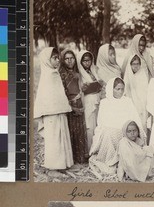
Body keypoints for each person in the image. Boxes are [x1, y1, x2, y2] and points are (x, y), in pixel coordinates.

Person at [89, 77, 145, 176]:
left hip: (126, 129)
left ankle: (127, 163)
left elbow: (134, 117)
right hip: (111, 129)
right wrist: (116, 128)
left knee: (134, 131)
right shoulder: (105, 102)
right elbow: (102, 121)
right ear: (111, 89)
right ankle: (111, 161)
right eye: (117, 89)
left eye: (122, 89)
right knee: (109, 133)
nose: (120, 92)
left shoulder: (127, 101)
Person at [34, 47, 73, 177]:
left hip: (59, 111)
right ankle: (52, 168)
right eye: (54, 58)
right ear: (47, 60)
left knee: (62, 138)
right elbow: (46, 98)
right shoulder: (48, 76)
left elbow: (59, 95)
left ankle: (61, 165)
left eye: (58, 58)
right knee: (54, 140)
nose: (57, 61)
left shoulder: (54, 73)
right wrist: (52, 109)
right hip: (51, 114)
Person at [59, 49, 89, 164]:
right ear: (63, 60)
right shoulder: (61, 75)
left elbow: (80, 89)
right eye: (66, 58)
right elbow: (62, 94)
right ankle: (72, 159)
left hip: (80, 103)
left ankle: (81, 157)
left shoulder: (78, 72)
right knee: (71, 132)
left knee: (80, 131)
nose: (70, 61)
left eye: (72, 58)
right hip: (69, 105)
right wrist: (72, 107)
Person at [77, 50, 103, 151]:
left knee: (97, 125)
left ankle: (97, 148)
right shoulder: (79, 74)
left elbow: (99, 83)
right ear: (80, 62)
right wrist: (83, 87)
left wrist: (100, 83)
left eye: (89, 60)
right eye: (84, 61)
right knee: (89, 126)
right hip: (87, 101)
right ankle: (88, 150)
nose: (87, 63)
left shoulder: (94, 71)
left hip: (97, 100)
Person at [123, 54, 149, 133]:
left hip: (141, 104)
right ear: (130, 65)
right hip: (131, 103)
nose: (136, 66)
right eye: (133, 64)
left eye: (138, 64)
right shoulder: (127, 76)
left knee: (142, 124)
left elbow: (145, 91)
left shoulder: (142, 74)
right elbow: (125, 92)